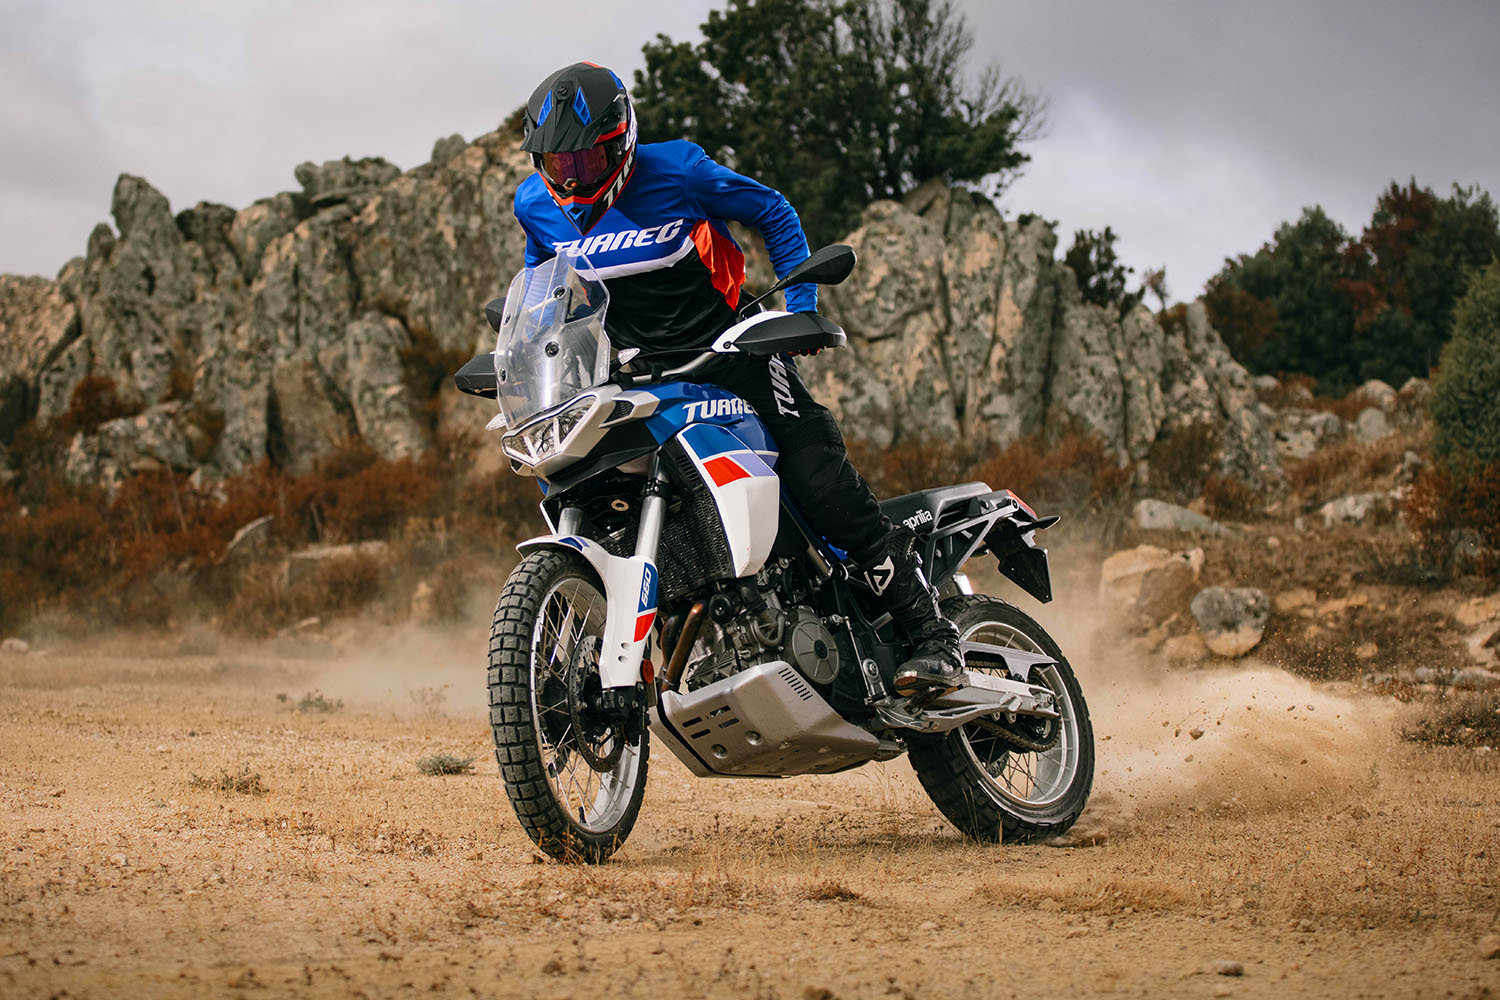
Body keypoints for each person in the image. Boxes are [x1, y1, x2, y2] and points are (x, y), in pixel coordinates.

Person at [511, 62, 961, 697]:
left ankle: (929, 630)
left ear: (622, 140)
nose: (575, 177)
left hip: (733, 349)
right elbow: (542, 291)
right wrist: (531, 355)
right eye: (560, 166)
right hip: (640, 372)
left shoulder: (681, 171)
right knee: (606, 487)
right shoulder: (535, 206)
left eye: (589, 161)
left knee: (813, 476)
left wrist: (798, 308)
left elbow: (774, 212)